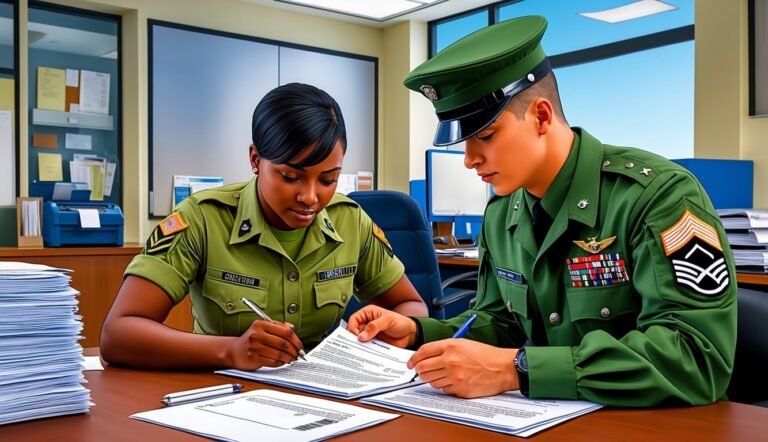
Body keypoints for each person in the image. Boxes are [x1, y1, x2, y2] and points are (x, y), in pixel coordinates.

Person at [348, 16, 737, 407]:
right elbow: (498, 325)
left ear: (541, 117)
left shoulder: (657, 197)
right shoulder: (502, 214)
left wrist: (515, 370)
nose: (469, 160)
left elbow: (697, 357)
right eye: (466, 142)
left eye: (484, 136)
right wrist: (418, 333)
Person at [101, 83, 428, 370]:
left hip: (328, 395)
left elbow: (412, 306)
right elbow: (119, 334)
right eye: (290, 177)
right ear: (255, 160)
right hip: (221, 394)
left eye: (328, 179)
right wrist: (231, 351)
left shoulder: (351, 221)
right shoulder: (202, 218)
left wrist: (388, 326)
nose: (310, 197)